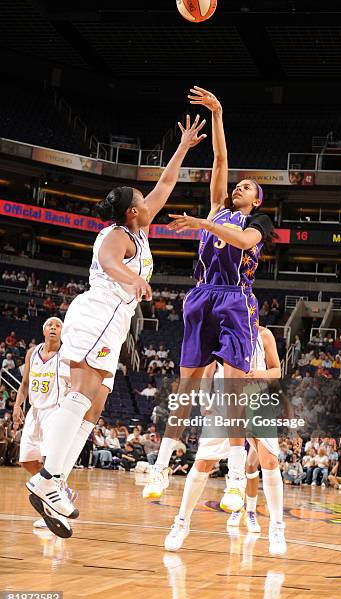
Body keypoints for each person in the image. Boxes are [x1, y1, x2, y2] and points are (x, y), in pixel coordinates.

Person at [25, 114, 206, 531]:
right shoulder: (115, 234)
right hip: (97, 314)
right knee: (83, 391)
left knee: (96, 404)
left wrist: (182, 148)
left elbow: (165, 186)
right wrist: (136, 278)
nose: (150, 201)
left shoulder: (139, 230)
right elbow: (108, 263)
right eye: (142, 199)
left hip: (114, 320)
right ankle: (48, 478)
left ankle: (57, 486)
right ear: (132, 210)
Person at [143, 86, 275, 513]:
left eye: (248, 187)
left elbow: (239, 240)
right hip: (201, 297)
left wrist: (202, 220)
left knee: (233, 391)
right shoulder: (219, 205)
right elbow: (219, 159)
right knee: (186, 387)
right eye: (238, 185)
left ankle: (236, 477)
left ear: (258, 200)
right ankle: (161, 465)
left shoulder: (258, 223)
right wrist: (218, 112)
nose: (239, 187)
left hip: (236, 300)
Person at [164, 326, 287, 556]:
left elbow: (277, 371)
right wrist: (205, 401)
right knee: (203, 463)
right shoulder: (223, 333)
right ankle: (181, 523)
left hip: (257, 396)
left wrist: (257, 374)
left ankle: (277, 528)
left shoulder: (264, 335)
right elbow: (208, 372)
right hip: (225, 398)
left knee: (269, 461)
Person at [13, 317, 114, 537]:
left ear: (63, 331)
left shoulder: (69, 353)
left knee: (51, 462)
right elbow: (25, 384)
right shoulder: (32, 352)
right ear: (43, 329)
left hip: (56, 410)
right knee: (28, 461)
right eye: (50, 324)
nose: (53, 328)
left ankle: (55, 504)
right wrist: (18, 404)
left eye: (58, 325)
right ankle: (60, 491)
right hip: (35, 411)